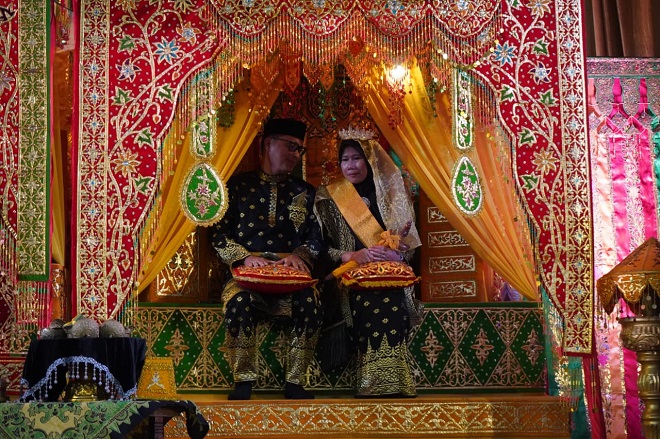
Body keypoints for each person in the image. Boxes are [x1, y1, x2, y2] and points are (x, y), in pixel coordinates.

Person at [211, 118, 323, 400]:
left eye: (300, 150)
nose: (295, 155)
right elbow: (218, 234)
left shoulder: (305, 192)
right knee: (239, 302)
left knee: (310, 301)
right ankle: (243, 381)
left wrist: (301, 256)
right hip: (246, 278)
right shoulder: (236, 188)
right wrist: (244, 258)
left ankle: (296, 381)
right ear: (267, 144)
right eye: (290, 146)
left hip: (291, 279)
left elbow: (316, 235)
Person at [314, 127, 422, 398]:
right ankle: (371, 381)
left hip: (390, 276)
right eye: (345, 160)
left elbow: (408, 247)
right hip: (347, 277)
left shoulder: (390, 196)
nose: (350, 166)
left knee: (392, 296)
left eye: (356, 158)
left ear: (370, 160)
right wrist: (350, 256)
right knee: (368, 299)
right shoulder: (328, 198)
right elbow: (318, 247)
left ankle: (396, 380)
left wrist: (397, 255)